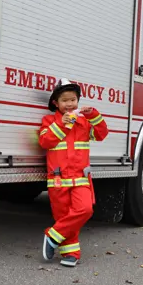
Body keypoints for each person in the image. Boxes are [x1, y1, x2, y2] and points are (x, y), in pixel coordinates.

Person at [38, 78, 109, 267]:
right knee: (64, 218)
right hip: (58, 180)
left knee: (84, 209)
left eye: (73, 100)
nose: (70, 104)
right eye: (65, 100)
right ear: (56, 103)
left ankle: (52, 236)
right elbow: (45, 142)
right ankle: (71, 254)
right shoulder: (49, 120)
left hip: (80, 179)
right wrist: (62, 124)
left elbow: (101, 134)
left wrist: (94, 115)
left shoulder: (84, 122)